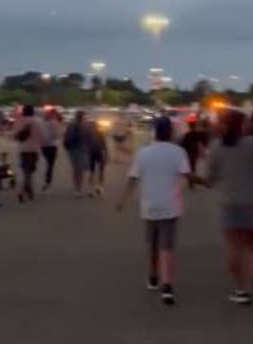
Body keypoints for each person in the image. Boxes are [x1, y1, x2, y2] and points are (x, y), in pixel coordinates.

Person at [116, 117, 191, 305]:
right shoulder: (178, 152)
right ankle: (167, 285)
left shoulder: (144, 153)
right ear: (171, 132)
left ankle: (153, 275)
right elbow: (185, 176)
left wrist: (122, 201)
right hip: (170, 205)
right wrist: (177, 190)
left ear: (154, 132)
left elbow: (133, 179)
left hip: (149, 205)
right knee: (167, 246)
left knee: (152, 242)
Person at [204, 110, 253, 305]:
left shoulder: (216, 147)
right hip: (252, 201)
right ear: (243, 125)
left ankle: (240, 289)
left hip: (228, 202)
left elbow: (209, 178)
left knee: (234, 247)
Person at [12, 105, 43, 202]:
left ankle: (26, 189)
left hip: (22, 149)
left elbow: (15, 136)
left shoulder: (19, 121)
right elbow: (42, 136)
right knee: (29, 171)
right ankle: (26, 189)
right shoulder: (38, 122)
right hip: (34, 149)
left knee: (25, 170)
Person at [63, 110, 91, 196]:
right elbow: (89, 138)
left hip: (73, 150)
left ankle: (76, 188)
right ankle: (78, 187)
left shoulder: (71, 126)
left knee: (76, 169)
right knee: (80, 170)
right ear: (82, 117)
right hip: (82, 150)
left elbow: (66, 136)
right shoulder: (85, 126)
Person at [179, 118, 207, 186]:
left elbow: (183, 144)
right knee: (193, 165)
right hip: (194, 152)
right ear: (194, 126)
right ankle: (191, 180)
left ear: (189, 126)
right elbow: (203, 141)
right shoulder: (197, 134)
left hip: (188, 152)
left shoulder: (187, 134)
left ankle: (190, 180)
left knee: (189, 166)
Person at [40, 109, 61, 191]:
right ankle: (47, 180)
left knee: (47, 162)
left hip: (43, 145)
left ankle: (47, 180)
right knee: (50, 164)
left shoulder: (42, 122)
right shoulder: (54, 123)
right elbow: (56, 135)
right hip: (52, 145)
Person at [87, 120, 108, 197]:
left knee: (92, 172)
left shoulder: (89, 134)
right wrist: (106, 154)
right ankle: (99, 187)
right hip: (98, 153)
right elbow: (104, 145)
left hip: (91, 154)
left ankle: (91, 189)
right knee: (100, 171)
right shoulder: (100, 133)